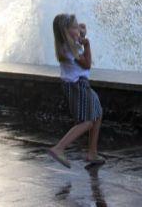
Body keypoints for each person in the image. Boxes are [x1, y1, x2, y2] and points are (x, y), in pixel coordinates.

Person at [48, 13, 105, 168]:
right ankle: (59, 148)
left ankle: (92, 152)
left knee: (97, 114)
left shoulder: (70, 45)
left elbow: (78, 46)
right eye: (74, 26)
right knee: (86, 122)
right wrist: (87, 44)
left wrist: (81, 35)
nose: (78, 28)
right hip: (77, 86)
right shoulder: (69, 49)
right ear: (66, 31)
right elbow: (86, 64)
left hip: (81, 84)